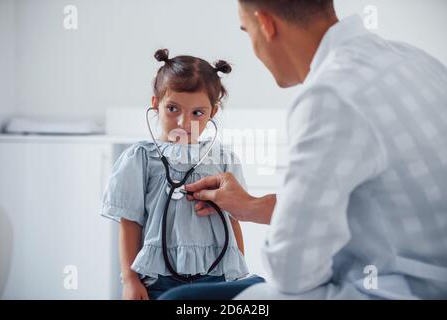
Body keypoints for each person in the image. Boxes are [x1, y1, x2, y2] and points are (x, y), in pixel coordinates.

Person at [158, 0, 447, 299]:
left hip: (394, 291)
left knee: (179, 302)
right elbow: (375, 205)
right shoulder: (414, 60)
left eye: (248, 31)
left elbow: (291, 272)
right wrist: (254, 206)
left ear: (266, 25)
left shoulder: (330, 93)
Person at [101, 48, 263, 300]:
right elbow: (130, 223)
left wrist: (238, 278)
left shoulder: (223, 159)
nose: (183, 123)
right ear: (155, 104)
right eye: (173, 109)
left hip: (215, 275)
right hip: (158, 279)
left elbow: (233, 220)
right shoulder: (141, 157)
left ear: (213, 113)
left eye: (197, 113)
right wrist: (130, 280)